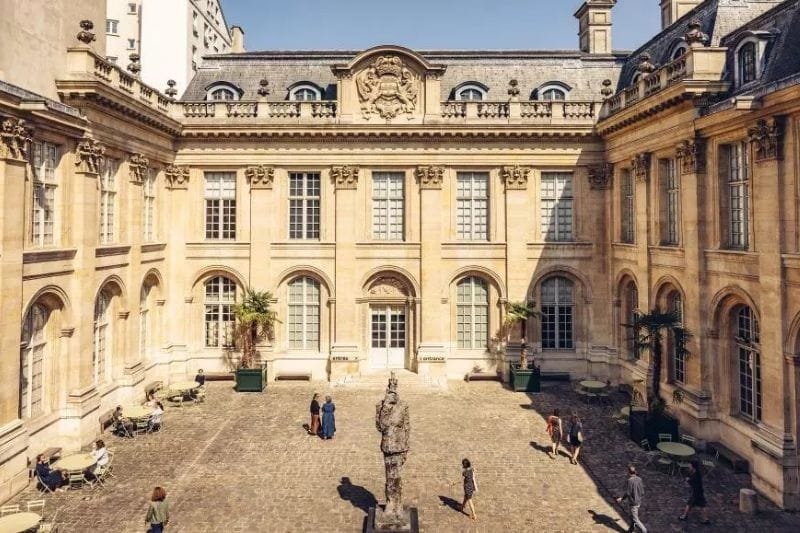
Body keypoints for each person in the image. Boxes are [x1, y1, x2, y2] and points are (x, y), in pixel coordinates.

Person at [616, 465, 647, 533]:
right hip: (639, 501)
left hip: (633, 503)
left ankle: (644, 531)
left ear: (628, 472)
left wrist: (622, 499)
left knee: (635, 519)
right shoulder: (639, 479)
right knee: (633, 516)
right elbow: (642, 492)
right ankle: (631, 530)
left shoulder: (629, 480)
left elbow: (628, 493)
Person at [680, 460, 710, 524]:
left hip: (695, 493)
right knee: (703, 505)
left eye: (690, 465)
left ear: (693, 467)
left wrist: (688, 480)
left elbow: (694, 484)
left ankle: (684, 516)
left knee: (689, 504)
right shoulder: (696, 473)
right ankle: (706, 519)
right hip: (700, 492)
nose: (689, 466)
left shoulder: (695, 475)